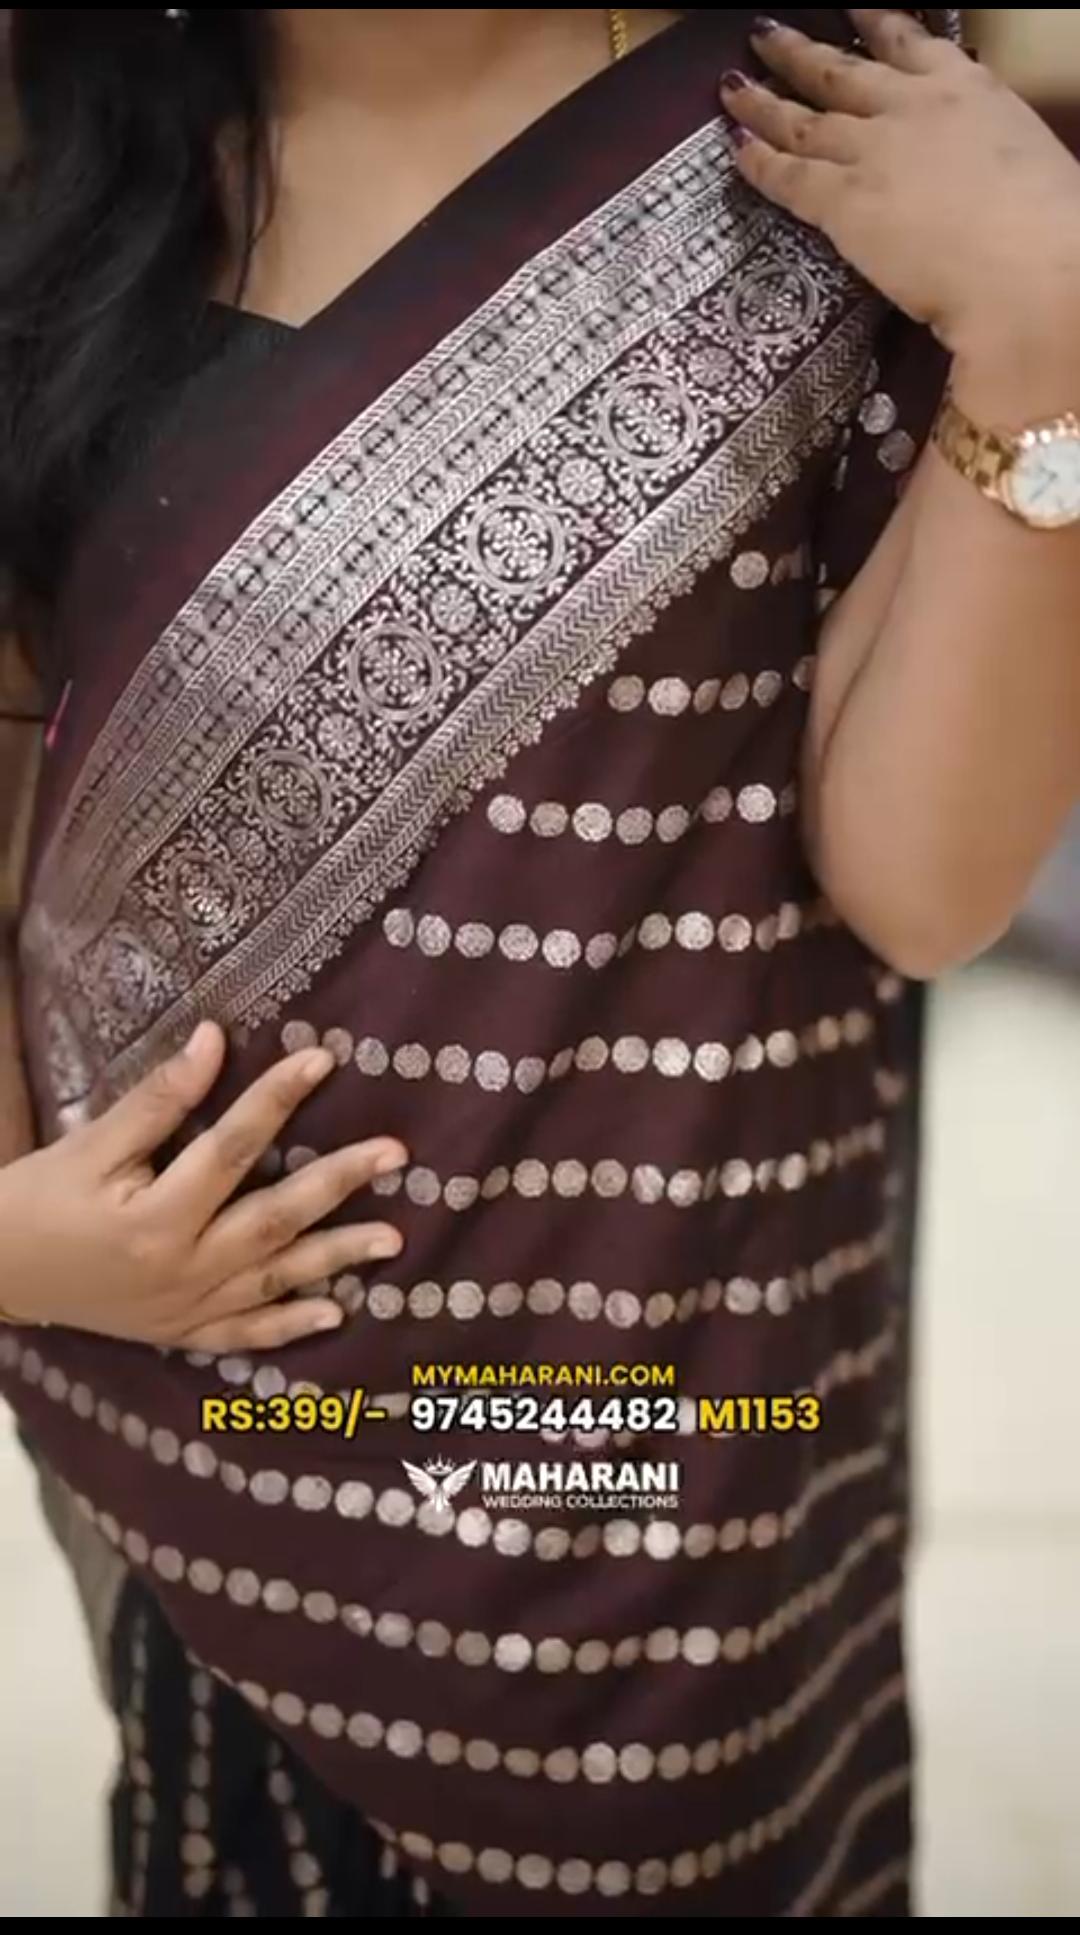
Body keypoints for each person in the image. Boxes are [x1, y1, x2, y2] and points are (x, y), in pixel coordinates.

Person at [1, 6, 1079, 1918]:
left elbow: (921, 891)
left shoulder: (836, 139)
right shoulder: (74, 133)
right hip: (196, 1392)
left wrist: (1050, 341)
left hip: (654, 1416)